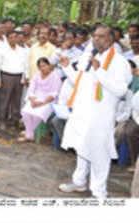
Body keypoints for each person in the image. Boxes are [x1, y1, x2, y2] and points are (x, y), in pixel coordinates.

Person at [58, 25, 132, 198]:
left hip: (101, 115)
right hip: (84, 111)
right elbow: (80, 82)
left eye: (101, 36)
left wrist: (100, 71)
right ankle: (79, 182)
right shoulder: (92, 58)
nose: (96, 39)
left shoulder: (119, 62)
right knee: (82, 148)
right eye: (95, 36)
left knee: (99, 153)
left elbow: (121, 90)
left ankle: (99, 192)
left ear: (110, 39)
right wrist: (67, 67)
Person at [19, 58, 62, 142]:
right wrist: (32, 100)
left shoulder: (55, 77)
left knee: (38, 114)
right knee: (26, 111)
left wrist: (42, 103)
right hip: (35, 98)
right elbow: (31, 89)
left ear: (48, 65)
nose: (43, 68)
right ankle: (30, 132)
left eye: (44, 66)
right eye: (40, 67)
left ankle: (29, 133)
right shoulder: (36, 75)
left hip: (48, 101)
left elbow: (55, 93)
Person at [0, 30, 28, 130]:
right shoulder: (2, 50)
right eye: (11, 37)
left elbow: (26, 65)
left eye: (15, 37)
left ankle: (14, 121)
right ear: (7, 38)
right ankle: (2, 120)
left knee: (17, 100)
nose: (13, 39)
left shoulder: (22, 51)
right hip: (6, 76)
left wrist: (26, 77)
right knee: (5, 100)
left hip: (19, 77)